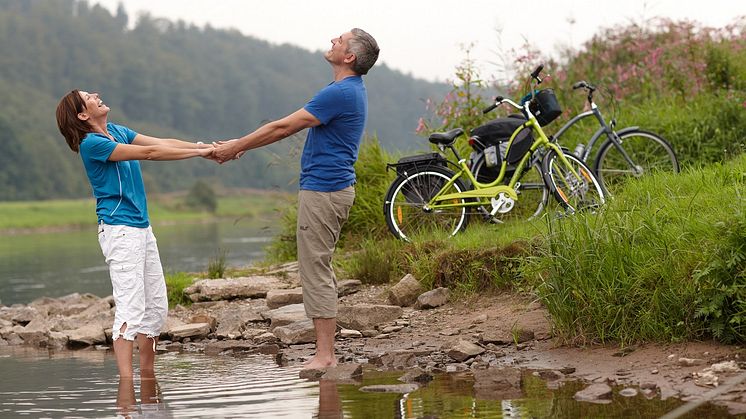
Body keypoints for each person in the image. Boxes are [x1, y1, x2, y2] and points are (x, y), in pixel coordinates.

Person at [213, 28, 379, 370]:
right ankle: (326, 351)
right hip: (329, 189)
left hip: (325, 191)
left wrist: (236, 146)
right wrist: (239, 144)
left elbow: (283, 127)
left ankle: (325, 355)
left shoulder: (341, 93)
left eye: (340, 39)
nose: (333, 39)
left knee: (314, 268)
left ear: (349, 57)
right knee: (320, 266)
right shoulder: (346, 90)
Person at [55, 90, 214, 379]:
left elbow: (161, 143)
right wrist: (201, 153)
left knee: (155, 309)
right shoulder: (92, 144)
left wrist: (206, 146)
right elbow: (150, 154)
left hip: (141, 228)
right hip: (119, 230)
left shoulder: (116, 131)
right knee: (130, 309)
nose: (96, 94)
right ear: (82, 115)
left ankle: (148, 379)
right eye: (88, 96)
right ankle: (126, 393)